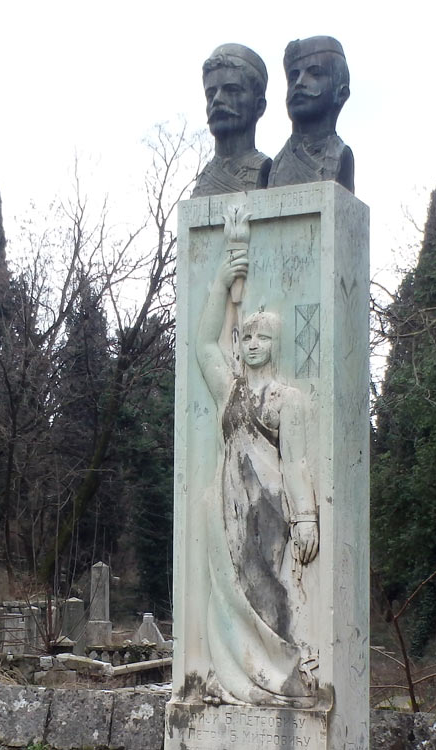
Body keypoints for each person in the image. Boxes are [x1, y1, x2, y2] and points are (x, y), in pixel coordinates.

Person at [195, 245, 319, 708]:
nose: (251, 344)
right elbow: (204, 346)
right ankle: (231, 681)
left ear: (275, 345)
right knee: (227, 595)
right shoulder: (230, 390)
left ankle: (280, 675)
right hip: (225, 510)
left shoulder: (290, 400)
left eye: (261, 338)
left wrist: (305, 515)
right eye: (246, 337)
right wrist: (221, 285)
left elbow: (297, 462)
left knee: (272, 594)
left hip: (270, 513)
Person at [268, 36, 354, 193]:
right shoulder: (278, 163)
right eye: (293, 76)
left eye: (315, 73)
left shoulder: (341, 156)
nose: (299, 82)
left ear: (341, 94)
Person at [191, 44, 272, 197]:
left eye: (231, 91)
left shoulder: (267, 171)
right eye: (210, 94)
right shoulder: (203, 179)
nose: (217, 100)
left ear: (259, 106)